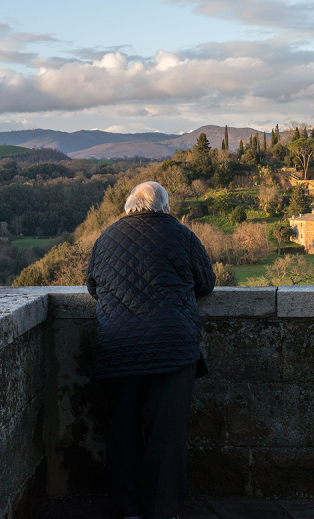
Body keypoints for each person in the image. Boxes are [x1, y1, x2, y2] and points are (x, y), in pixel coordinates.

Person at [86, 181, 215, 519]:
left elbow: (92, 287)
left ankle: (128, 507)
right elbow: (206, 283)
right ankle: (162, 509)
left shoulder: (105, 238)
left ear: (130, 206)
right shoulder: (182, 235)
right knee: (166, 434)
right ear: (165, 207)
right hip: (172, 347)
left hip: (118, 345)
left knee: (123, 428)